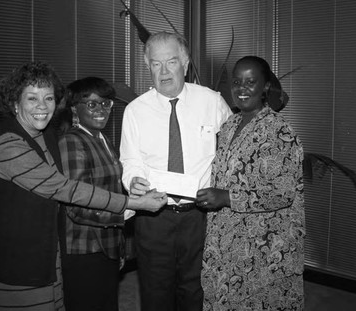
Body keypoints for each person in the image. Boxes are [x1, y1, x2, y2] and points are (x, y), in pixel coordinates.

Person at [0, 61, 167, 311]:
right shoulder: (8, 145)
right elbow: (66, 189)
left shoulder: (45, 136)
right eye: (32, 99)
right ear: (15, 103)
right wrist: (134, 204)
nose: (42, 106)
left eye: (48, 98)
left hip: (47, 256)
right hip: (16, 262)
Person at [120, 31, 233, 311]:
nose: (164, 71)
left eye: (170, 62)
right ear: (148, 67)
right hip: (155, 217)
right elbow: (129, 160)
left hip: (201, 218)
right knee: (155, 293)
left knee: (196, 291)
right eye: (156, 64)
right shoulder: (135, 111)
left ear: (184, 62)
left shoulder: (212, 102)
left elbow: (233, 154)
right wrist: (133, 180)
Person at [195, 55, 305, 310]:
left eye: (250, 82)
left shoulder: (279, 131)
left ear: (265, 86)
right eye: (236, 82)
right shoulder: (230, 124)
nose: (241, 88)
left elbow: (282, 193)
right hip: (225, 240)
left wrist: (225, 197)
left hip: (263, 247)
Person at [57, 77, 128, 310]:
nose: (101, 110)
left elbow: (111, 187)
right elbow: (77, 206)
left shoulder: (101, 138)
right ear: (74, 110)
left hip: (107, 243)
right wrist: (124, 212)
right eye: (91, 104)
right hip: (84, 248)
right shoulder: (72, 141)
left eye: (105, 103)